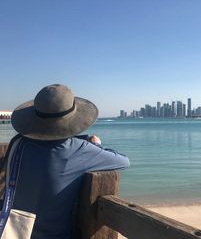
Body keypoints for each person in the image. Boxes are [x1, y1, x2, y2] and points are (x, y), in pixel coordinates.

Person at [9, 84, 130, 239]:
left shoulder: (18, 144)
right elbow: (124, 161)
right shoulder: (77, 149)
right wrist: (96, 145)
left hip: (15, 232)